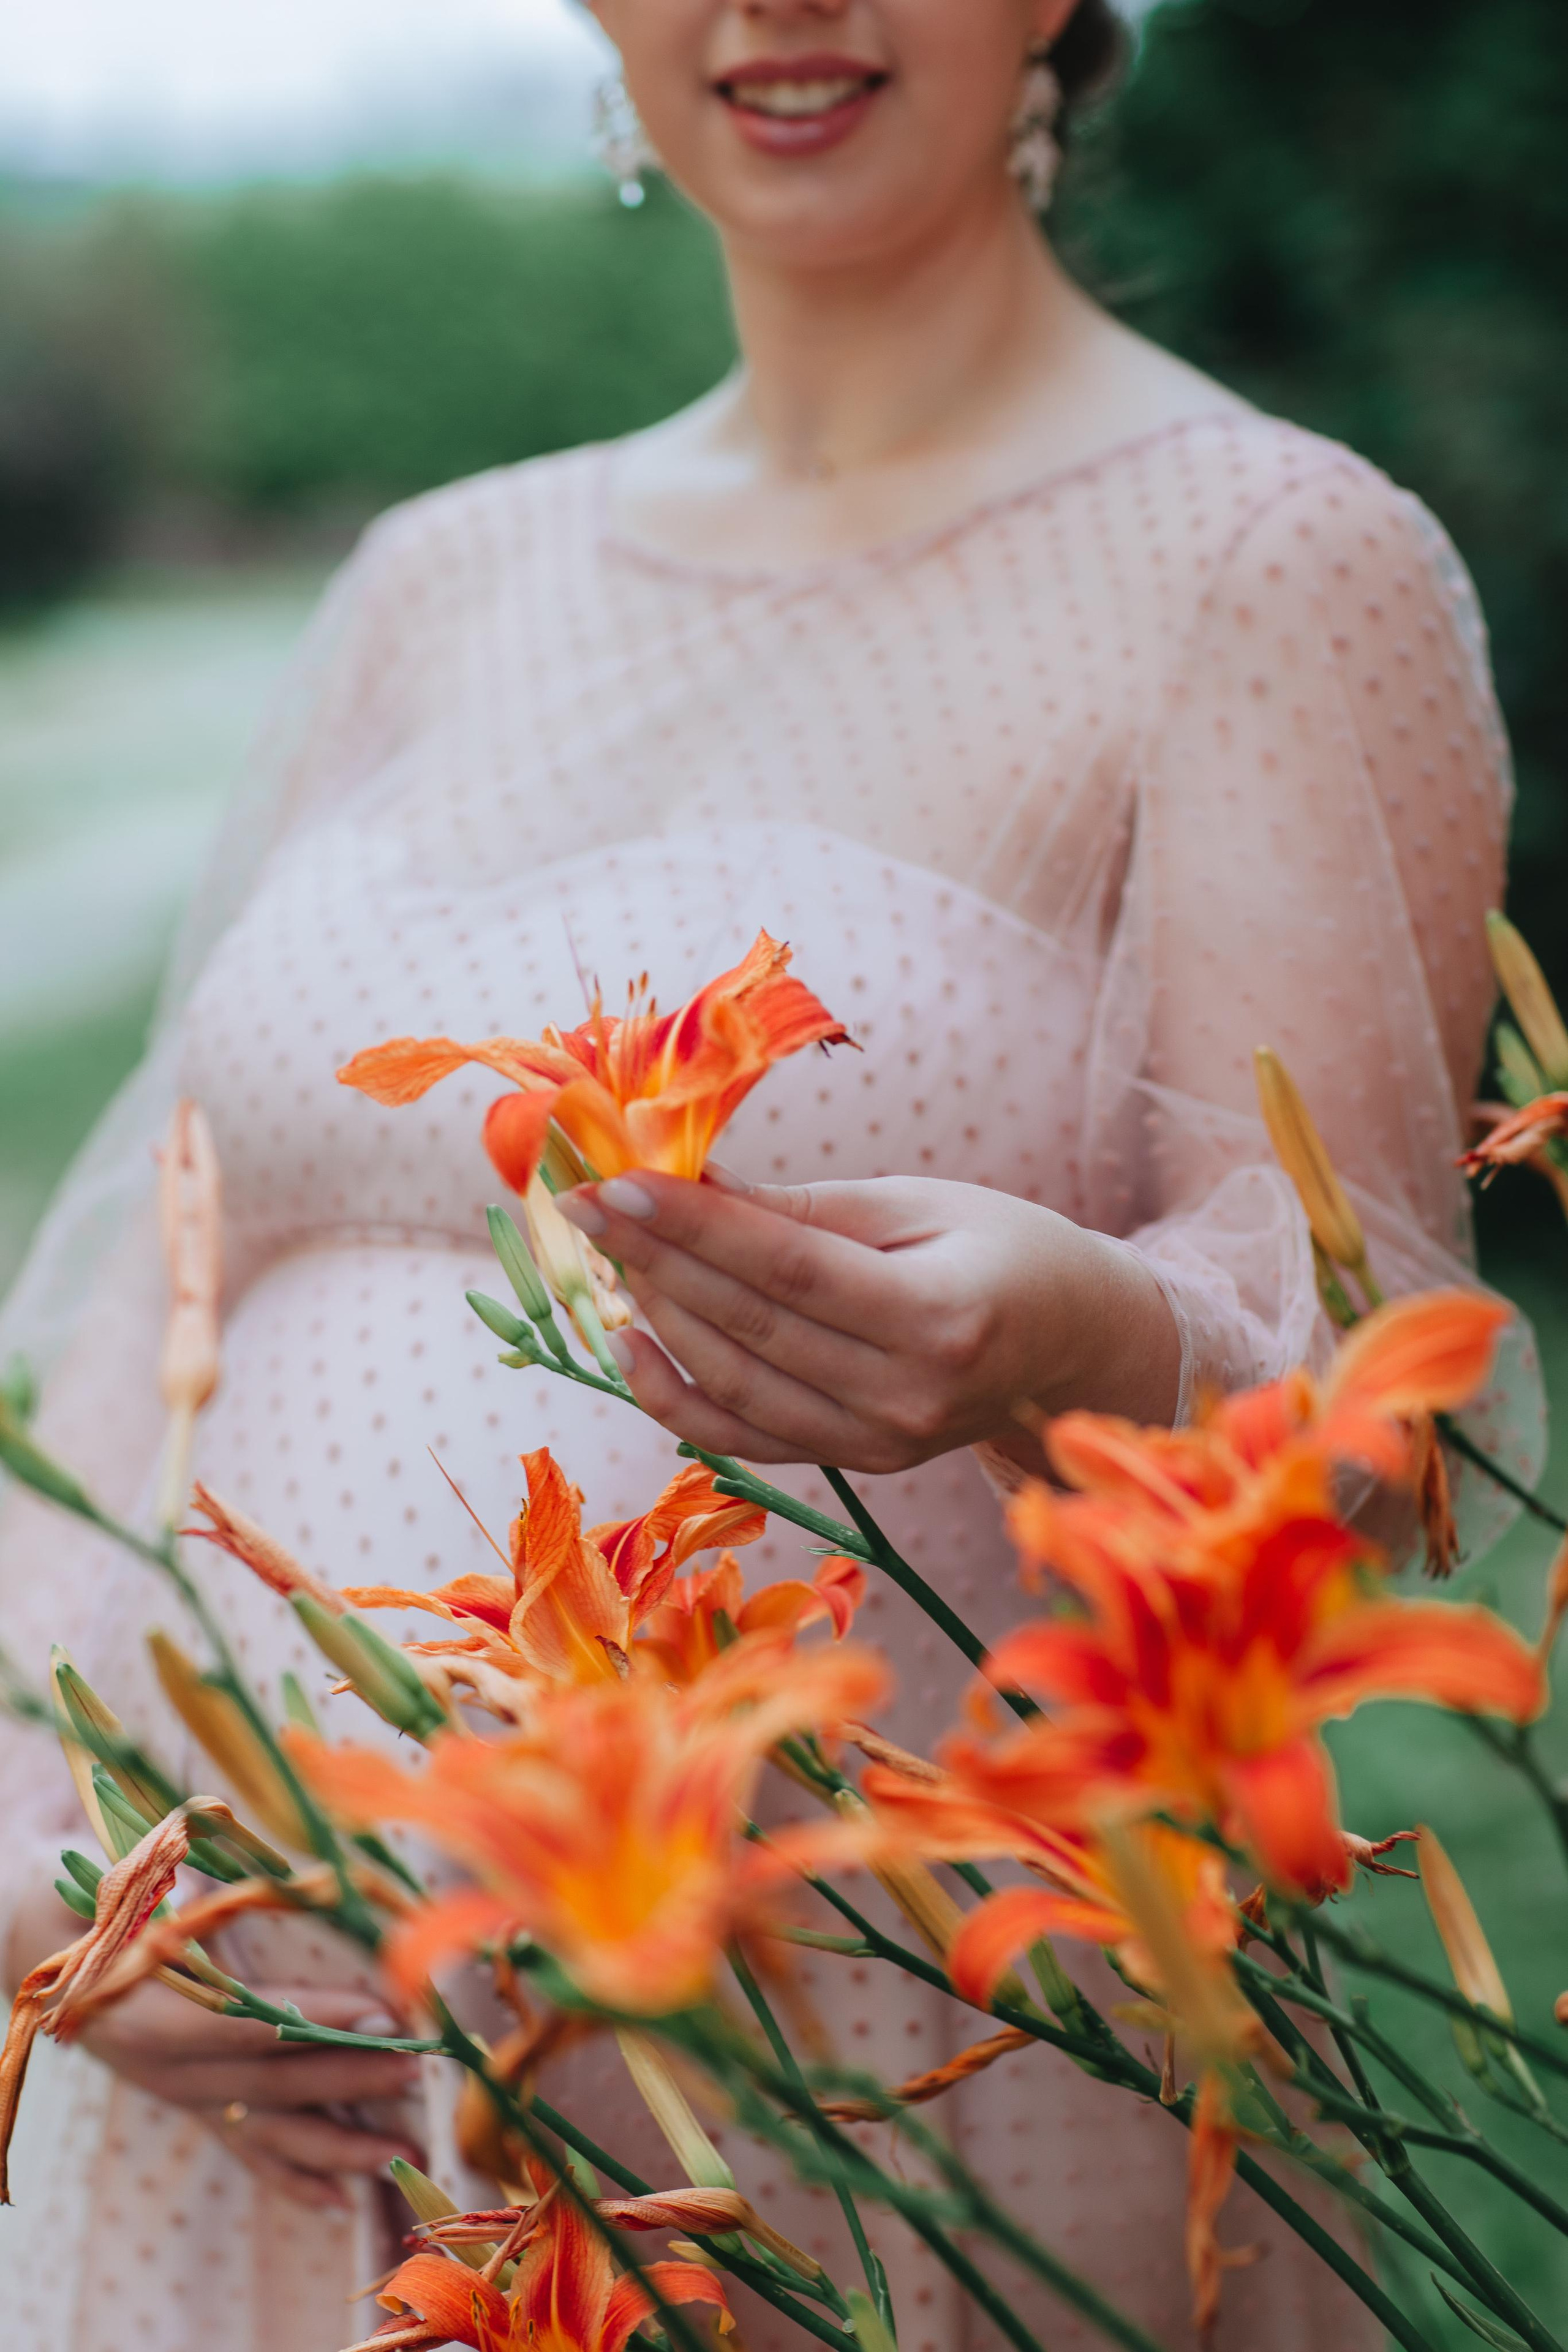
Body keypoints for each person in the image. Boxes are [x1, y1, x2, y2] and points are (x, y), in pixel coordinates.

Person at [0, 2, 1543, 2345]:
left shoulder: (1274, 561)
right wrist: (32, 1867)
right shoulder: (439, 574)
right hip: (234, 2108)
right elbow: (161, 1301)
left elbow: (1382, 1415)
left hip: (882, 2094)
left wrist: (1084, 1344)